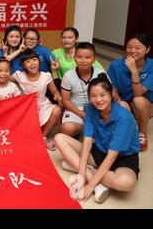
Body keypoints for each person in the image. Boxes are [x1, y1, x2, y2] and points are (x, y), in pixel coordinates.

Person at [54, 73, 140, 203]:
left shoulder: (123, 117)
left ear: (111, 95)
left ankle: (79, 167)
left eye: (102, 95)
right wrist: (82, 176)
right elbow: (87, 143)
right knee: (59, 138)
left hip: (123, 156)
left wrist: (90, 186)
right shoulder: (90, 110)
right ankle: (86, 171)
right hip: (100, 151)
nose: (98, 100)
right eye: (93, 96)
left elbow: (112, 155)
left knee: (126, 183)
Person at [107, 33, 153, 151]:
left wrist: (134, 71)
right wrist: (122, 105)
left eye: (137, 48)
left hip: (146, 104)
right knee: (121, 106)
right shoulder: (116, 65)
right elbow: (112, 88)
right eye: (129, 47)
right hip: (124, 101)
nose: (132, 51)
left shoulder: (151, 66)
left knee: (139, 101)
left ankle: (142, 135)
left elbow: (138, 94)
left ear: (147, 49)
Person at [12, 50, 62, 150]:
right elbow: (3, 78)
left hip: (43, 105)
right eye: (28, 61)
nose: (32, 63)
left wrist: (57, 95)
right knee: (25, 139)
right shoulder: (19, 75)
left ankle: (44, 135)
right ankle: (33, 132)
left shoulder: (46, 76)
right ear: (23, 65)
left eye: (35, 60)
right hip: (26, 109)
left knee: (57, 110)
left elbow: (55, 91)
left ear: (39, 61)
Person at [60, 42, 106, 137]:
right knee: (67, 128)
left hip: (97, 106)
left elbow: (109, 94)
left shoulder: (100, 73)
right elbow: (65, 100)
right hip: (76, 108)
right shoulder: (68, 75)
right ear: (74, 58)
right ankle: (86, 129)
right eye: (79, 57)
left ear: (94, 59)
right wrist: (83, 115)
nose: (83, 60)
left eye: (88, 57)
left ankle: (90, 129)